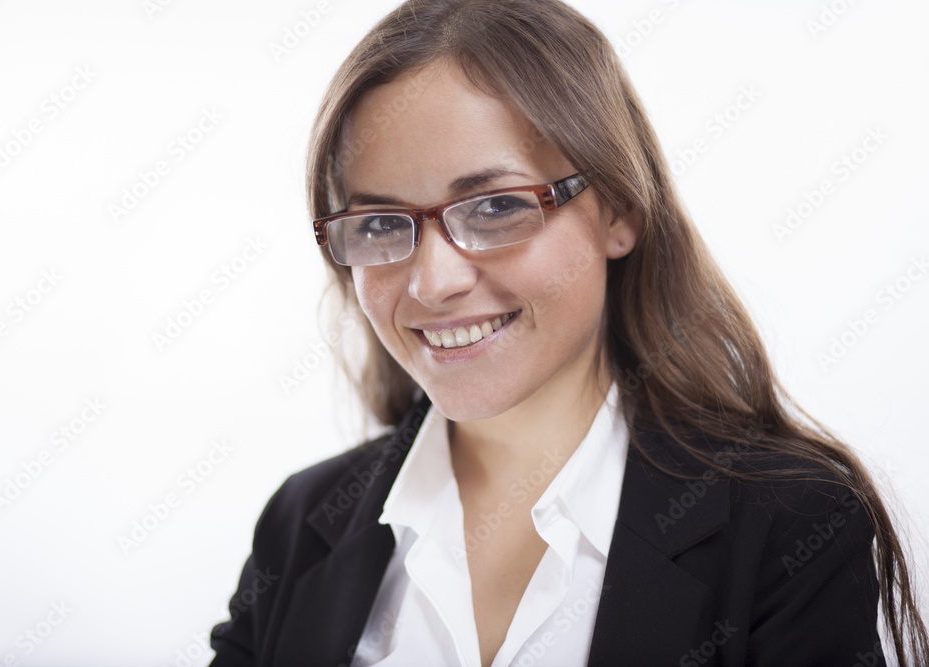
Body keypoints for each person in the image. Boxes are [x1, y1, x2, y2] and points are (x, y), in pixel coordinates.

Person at [209, 0, 928, 665]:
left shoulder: (790, 524)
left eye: (493, 207)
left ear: (617, 208)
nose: (433, 282)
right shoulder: (301, 525)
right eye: (378, 223)